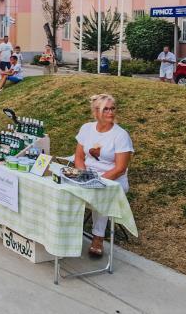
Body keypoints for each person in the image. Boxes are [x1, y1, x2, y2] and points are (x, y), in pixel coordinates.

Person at [73, 94, 134, 257]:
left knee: (101, 191)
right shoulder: (86, 128)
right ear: (95, 111)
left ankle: (98, 237)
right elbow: (78, 157)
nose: (110, 112)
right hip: (88, 174)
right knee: (65, 188)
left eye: (112, 108)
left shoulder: (121, 135)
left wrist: (96, 181)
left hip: (113, 178)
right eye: (105, 109)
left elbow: (120, 168)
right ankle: (68, 228)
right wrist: (84, 174)